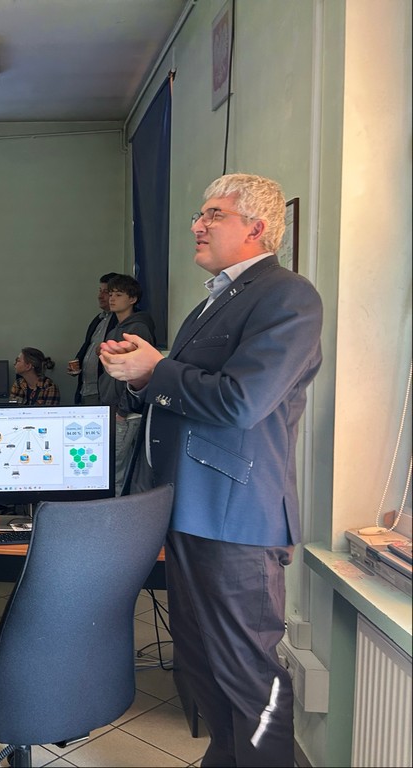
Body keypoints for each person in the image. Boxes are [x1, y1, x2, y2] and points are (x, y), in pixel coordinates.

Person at [99, 173, 323, 767]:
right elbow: (191, 394)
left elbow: (242, 401)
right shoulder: (214, 300)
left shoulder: (287, 295)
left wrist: (157, 369)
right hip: (190, 509)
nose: (197, 225)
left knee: (248, 674)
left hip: (236, 517)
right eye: (200, 214)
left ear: (257, 227)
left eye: (214, 214)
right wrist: (142, 376)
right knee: (200, 664)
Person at [96, 274, 156, 495]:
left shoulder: (137, 329)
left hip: (125, 413)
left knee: (114, 470)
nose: (112, 298)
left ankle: (115, 513)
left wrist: (122, 410)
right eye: (110, 294)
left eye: (118, 295)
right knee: (110, 467)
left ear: (132, 299)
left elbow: (136, 373)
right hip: (112, 407)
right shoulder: (116, 328)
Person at [67, 272, 119, 404]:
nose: (100, 296)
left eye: (106, 292)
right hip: (85, 388)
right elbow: (88, 345)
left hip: (103, 391)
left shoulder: (120, 321)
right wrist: (78, 362)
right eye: (100, 291)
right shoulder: (99, 319)